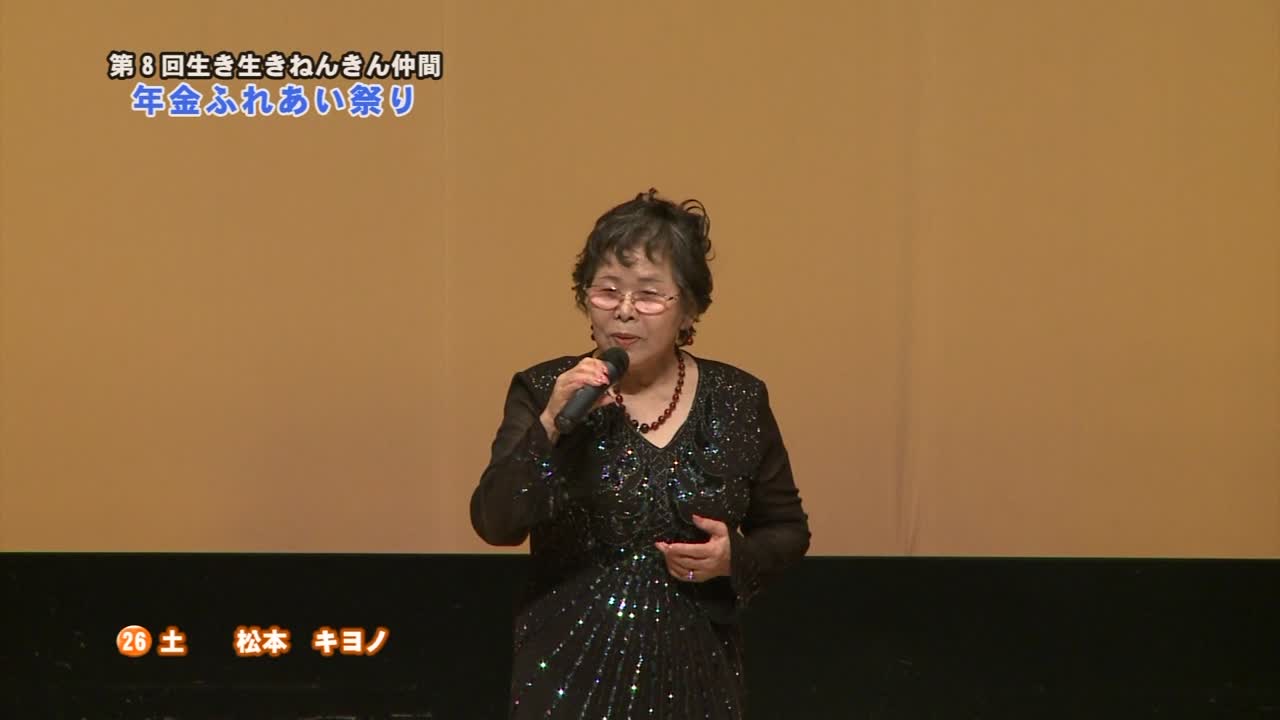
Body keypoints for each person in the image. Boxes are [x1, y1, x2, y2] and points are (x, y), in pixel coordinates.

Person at [471, 189, 810, 719]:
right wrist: (550, 424)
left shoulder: (738, 399)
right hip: (566, 675)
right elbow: (495, 523)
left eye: (649, 295)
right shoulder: (545, 390)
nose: (624, 311)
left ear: (688, 308)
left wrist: (733, 558)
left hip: (696, 674)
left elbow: (787, 530)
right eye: (607, 291)